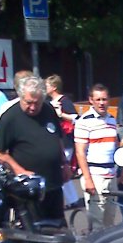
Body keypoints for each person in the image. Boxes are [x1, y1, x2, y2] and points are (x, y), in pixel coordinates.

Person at [0, 76, 69, 222]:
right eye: (28, 103)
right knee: (37, 235)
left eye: (37, 103)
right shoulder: (10, 117)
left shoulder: (48, 110)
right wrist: (20, 171)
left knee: (58, 229)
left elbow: (57, 138)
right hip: (29, 190)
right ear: (20, 97)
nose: (33, 107)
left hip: (53, 184)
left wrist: (64, 163)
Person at [74, 83, 118, 229]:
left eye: (104, 99)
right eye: (98, 99)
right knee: (96, 224)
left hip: (112, 176)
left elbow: (116, 147)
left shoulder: (112, 119)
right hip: (95, 177)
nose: (101, 103)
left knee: (110, 222)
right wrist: (88, 180)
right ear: (91, 100)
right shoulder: (84, 122)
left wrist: (122, 170)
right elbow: (80, 152)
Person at [45, 74, 80, 209]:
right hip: (56, 139)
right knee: (59, 170)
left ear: (54, 87)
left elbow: (76, 118)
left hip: (66, 140)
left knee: (62, 170)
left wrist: (61, 114)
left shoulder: (64, 101)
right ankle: (71, 199)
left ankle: (72, 200)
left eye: (47, 85)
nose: (45, 88)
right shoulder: (50, 102)